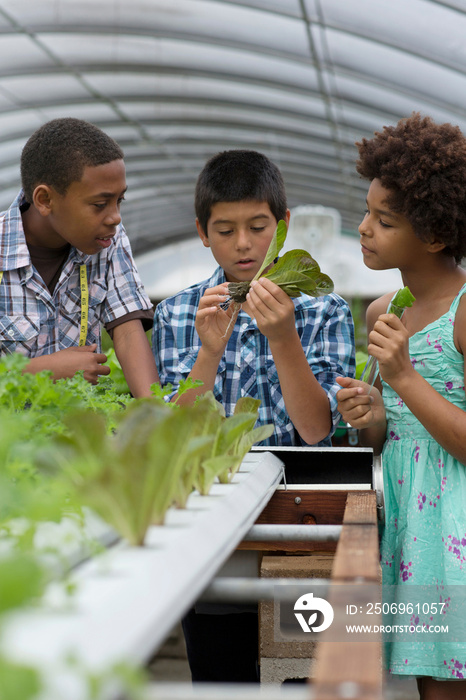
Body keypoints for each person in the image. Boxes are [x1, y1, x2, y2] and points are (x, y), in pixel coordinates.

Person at [153, 149, 355, 681]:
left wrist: (284, 337)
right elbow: (174, 436)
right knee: (222, 673)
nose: (242, 244)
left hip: (301, 521)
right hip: (214, 525)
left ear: (283, 225)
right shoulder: (179, 312)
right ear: (202, 232)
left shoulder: (320, 307)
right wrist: (208, 354)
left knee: (304, 673)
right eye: (225, 230)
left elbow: (315, 429)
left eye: (258, 226)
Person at [336, 113, 466, 700]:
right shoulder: (385, 311)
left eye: (383, 221)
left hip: (457, 530)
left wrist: (404, 376)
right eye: (366, 211)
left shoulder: (463, 312)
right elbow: (394, 435)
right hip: (414, 528)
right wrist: (373, 414)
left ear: (436, 235)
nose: (364, 228)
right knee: (429, 684)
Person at [0, 117, 159, 397]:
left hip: (76, 431)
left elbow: (127, 332)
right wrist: (42, 371)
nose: (115, 217)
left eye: (119, 200)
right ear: (45, 200)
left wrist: (159, 416)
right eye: (100, 204)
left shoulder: (109, 239)